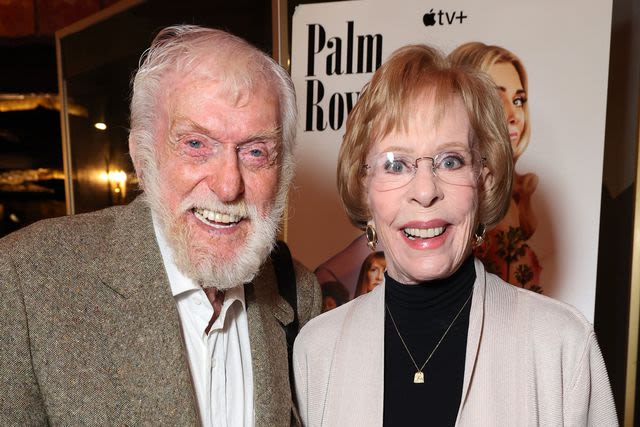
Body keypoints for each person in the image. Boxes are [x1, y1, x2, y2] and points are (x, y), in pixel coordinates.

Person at [0, 25, 321, 426]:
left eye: (256, 152)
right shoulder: (25, 282)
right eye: (196, 145)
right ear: (142, 155)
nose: (227, 186)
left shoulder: (298, 294)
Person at [293, 44, 617, 426]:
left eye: (451, 160)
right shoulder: (317, 350)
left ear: (485, 178)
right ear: (363, 186)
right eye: (396, 164)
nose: (426, 191)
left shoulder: (561, 345)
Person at [448, 42, 541, 292]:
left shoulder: (515, 197)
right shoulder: (442, 199)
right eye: (497, 99)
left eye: (518, 100)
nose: (514, 115)